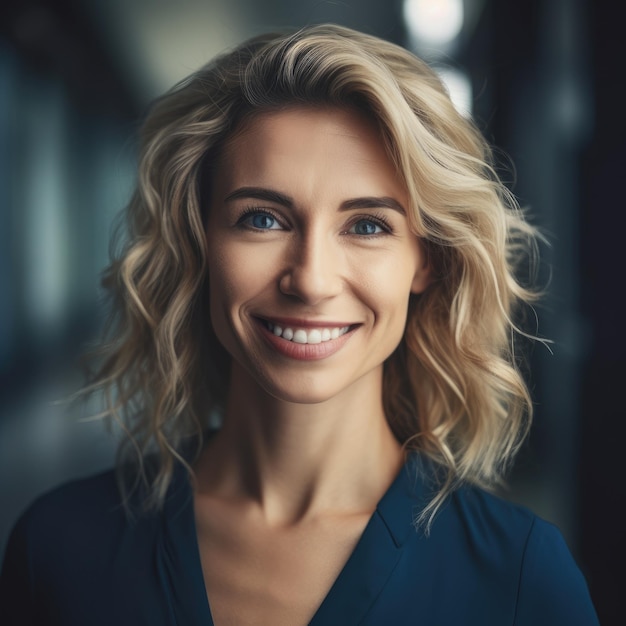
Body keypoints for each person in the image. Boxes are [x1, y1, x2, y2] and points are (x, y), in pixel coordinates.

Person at [0, 23, 599, 625]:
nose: (311, 280)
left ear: (428, 261)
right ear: (199, 241)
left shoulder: (521, 578)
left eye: (367, 226)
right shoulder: (57, 551)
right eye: (262, 218)